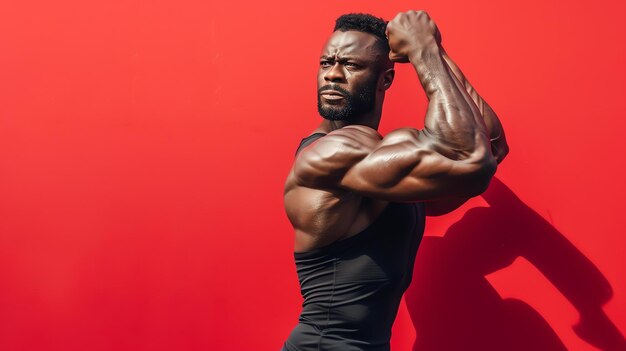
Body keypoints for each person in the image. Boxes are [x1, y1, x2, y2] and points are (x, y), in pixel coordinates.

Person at [282, 11, 509, 351]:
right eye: (326, 62)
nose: (332, 75)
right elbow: (470, 160)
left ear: (385, 79)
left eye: (351, 65)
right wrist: (424, 50)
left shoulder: (380, 165)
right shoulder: (331, 155)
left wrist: (433, 51)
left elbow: (490, 145)